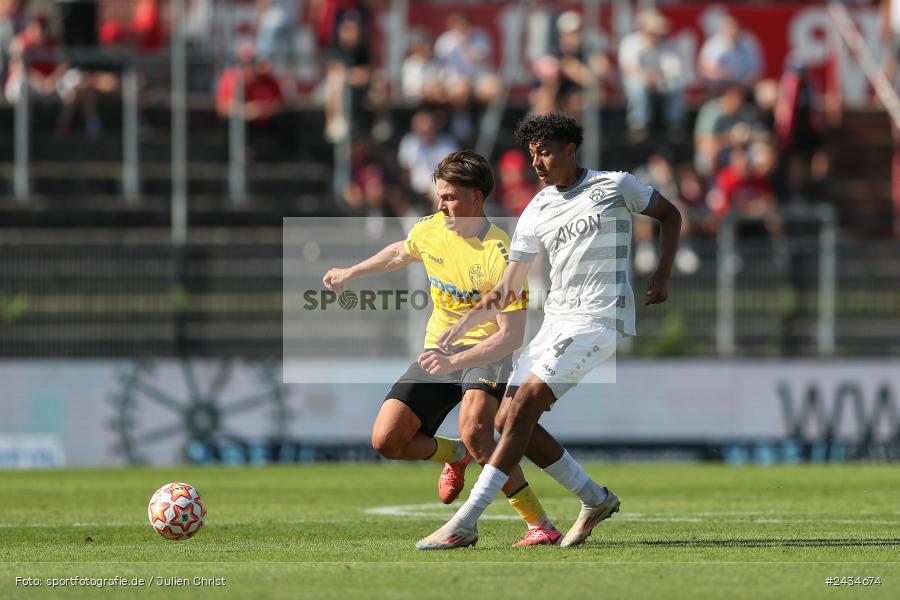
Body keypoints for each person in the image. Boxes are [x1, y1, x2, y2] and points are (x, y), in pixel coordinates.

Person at [416, 113, 682, 550]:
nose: (537, 162)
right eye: (532, 154)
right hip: (555, 322)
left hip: (598, 319)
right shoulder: (537, 207)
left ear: (570, 149)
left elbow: (670, 215)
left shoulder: (615, 186)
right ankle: (594, 499)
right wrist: (466, 321)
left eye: (546, 151)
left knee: (521, 407)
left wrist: (661, 276)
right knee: (506, 419)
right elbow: (508, 285)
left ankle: (465, 521)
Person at [322, 150, 563, 547]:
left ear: (476, 198)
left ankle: (540, 525)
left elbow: (510, 336)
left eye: (450, 196)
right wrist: (353, 272)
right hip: (439, 353)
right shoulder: (432, 228)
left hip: (487, 353)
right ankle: (455, 454)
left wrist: (455, 358)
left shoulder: (501, 254)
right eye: (439, 196)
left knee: (479, 433)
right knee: (387, 440)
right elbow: (401, 250)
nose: (441, 205)